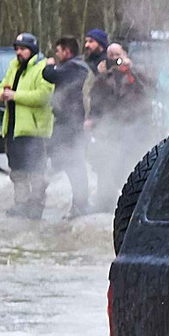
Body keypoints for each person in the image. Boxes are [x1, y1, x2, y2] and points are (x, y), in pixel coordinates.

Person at [0, 32, 52, 213]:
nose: (18, 53)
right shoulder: (13, 66)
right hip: (13, 128)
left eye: (23, 49)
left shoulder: (42, 68)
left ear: (32, 50)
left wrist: (15, 96)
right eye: (17, 49)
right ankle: (20, 204)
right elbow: (4, 85)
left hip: (34, 130)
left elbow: (43, 96)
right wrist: (2, 94)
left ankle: (36, 205)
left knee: (36, 170)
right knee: (17, 170)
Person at [88, 40, 156, 184]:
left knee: (132, 166)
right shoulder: (104, 76)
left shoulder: (136, 73)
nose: (114, 59)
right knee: (107, 169)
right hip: (111, 128)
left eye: (117, 55)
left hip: (135, 126)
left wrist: (132, 69)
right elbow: (95, 99)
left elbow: (150, 88)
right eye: (110, 55)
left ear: (125, 54)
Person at [43, 33, 95, 216]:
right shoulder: (74, 67)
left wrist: (49, 65)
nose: (56, 54)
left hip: (71, 124)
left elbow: (50, 75)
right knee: (70, 163)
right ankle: (79, 203)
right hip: (68, 122)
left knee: (74, 164)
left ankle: (81, 204)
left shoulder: (74, 67)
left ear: (67, 51)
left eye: (58, 51)